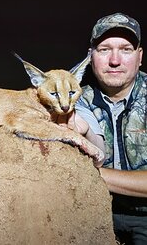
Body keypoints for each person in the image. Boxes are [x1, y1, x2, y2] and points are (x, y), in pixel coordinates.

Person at [70, 12, 147, 245]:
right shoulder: (73, 100)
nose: (115, 60)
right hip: (95, 213)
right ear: (90, 57)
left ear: (140, 57)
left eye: (125, 49)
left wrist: (92, 175)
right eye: (104, 50)